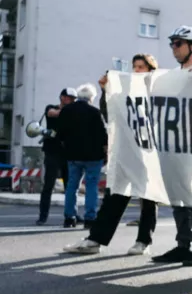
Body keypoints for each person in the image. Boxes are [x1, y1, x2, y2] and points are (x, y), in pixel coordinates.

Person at [64, 55, 160, 255]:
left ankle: (143, 241)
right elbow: (110, 114)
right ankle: (95, 239)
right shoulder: (126, 92)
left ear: (151, 70)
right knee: (115, 194)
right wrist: (105, 90)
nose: (136, 70)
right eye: (134, 67)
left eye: (141, 67)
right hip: (127, 152)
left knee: (149, 198)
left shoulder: (157, 92)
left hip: (150, 154)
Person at [151, 26, 192, 266]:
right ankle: (182, 244)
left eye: (178, 44)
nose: (173, 49)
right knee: (177, 194)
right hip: (172, 143)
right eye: (172, 44)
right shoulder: (170, 76)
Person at [57, 84, 107, 229]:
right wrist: (105, 152)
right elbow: (103, 135)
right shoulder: (95, 112)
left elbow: (60, 134)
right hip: (93, 156)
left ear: (78, 96)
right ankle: (90, 218)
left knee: (72, 186)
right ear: (92, 98)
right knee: (91, 186)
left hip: (73, 155)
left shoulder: (66, 111)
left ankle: (69, 217)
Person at [36, 89, 74, 225]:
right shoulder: (51, 108)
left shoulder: (72, 112)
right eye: (70, 98)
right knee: (48, 185)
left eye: (73, 99)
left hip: (68, 153)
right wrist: (68, 111)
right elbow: (53, 114)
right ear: (62, 98)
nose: (72, 100)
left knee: (70, 187)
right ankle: (43, 216)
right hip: (52, 152)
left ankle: (72, 215)